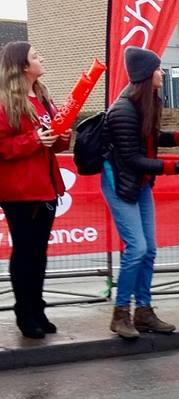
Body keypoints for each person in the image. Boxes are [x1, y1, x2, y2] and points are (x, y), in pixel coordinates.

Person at [103, 47, 179, 340]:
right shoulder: (122, 110)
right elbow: (131, 157)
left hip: (139, 182)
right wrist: (172, 168)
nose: (161, 73)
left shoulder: (146, 103)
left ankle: (143, 311)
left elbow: (152, 136)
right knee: (137, 248)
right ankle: (121, 313)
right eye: (157, 69)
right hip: (121, 182)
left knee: (149, 249)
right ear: (145, 74)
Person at [0, 41, 70, 339]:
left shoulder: (43, 97)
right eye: (35, 56)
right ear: (23, 66)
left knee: (39, 252)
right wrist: (33, 140)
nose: (41, 59)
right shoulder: (6, 102)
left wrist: (62, 137)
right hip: (19, 189)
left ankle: (38, 308)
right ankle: (24, 312)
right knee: (25, 251)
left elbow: (53, 143)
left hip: (46, 187)